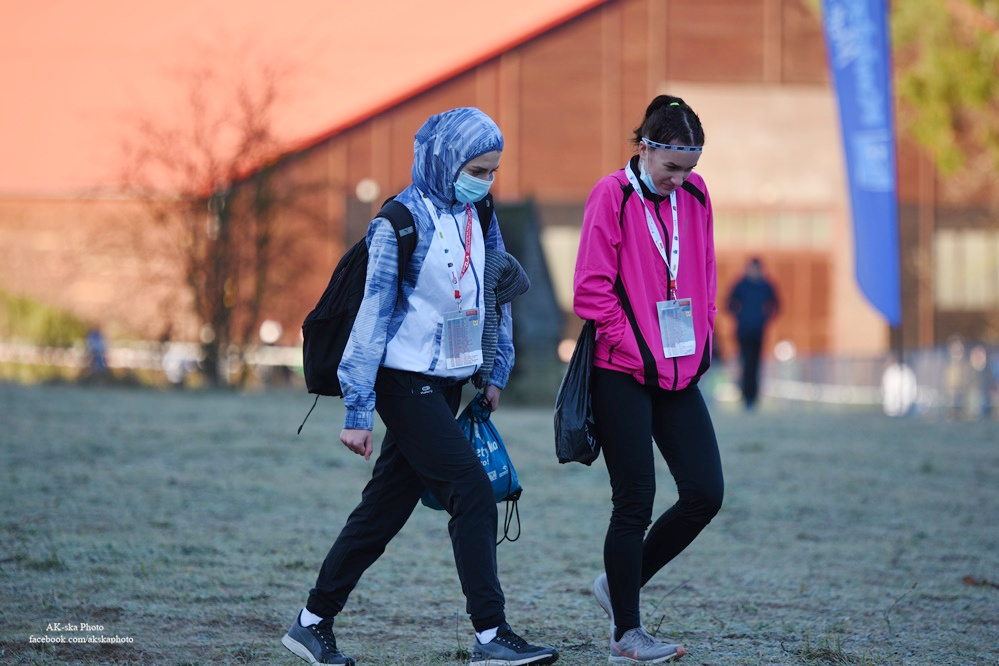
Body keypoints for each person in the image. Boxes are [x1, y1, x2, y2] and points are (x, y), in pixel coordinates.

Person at [281, 107, 559, 666]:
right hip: (403, 383)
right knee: (472, 492)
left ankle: (311, 624)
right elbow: (371, 317)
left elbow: (496, 289)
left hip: (449, 382)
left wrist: (494, 369)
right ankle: (491, 634)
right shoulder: (398, 223)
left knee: (383, 510)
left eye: (493, 171)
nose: (485, 181)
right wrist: (358, 411)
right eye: (476, 170)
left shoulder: (479, 212)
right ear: (444, 160)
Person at [573, 95, 724, 662]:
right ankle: (626, 636)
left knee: (705, 493)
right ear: (645, 148)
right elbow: (591, 291)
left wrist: (702, 339)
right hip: (622, 371)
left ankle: (618, 586)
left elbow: (705, 271)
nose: (679, 180)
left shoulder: (697, 196)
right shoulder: (610, 195)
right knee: (634, 501)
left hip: (680, 370)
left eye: (689, 168)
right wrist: (638, 351)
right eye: (671, 167)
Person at [726, 257, 779, 409]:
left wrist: (765, 319)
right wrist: (739, 316)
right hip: (743, 331)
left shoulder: (766, 286)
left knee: (755, 364)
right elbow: (729, 304)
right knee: (746, 363)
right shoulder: (741, 285)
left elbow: (776, 305)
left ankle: (753, 397)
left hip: (758, 331)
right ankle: (746, 396)